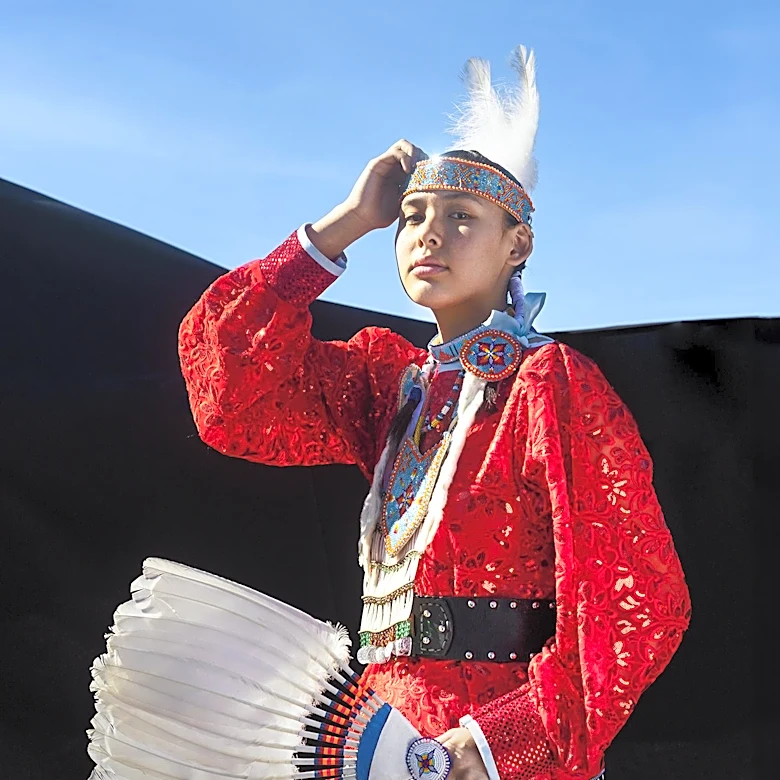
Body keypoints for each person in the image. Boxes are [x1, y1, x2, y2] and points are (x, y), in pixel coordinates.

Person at [178, 48, 691, 780]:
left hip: (493, 754)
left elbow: (639, 595)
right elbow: (229, 389)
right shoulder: (389, 387)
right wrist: (344, 225)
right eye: (412, 217)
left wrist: (494, 743)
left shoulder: (549, 386)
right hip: (377, 741)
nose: (428, 234)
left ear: (519, 244)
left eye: (460, 217)